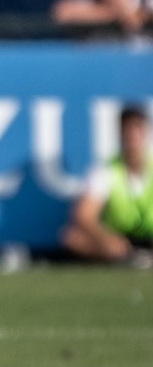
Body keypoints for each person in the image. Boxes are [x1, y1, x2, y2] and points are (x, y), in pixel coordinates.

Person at [63, 106, 153, 266]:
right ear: (120, 133)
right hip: (121, 240)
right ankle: (126, 257)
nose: (133, 136)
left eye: (138, 128)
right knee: (72, 238)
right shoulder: (106, 170)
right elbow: (84, 215)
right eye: (127, 130)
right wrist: (106, 238)